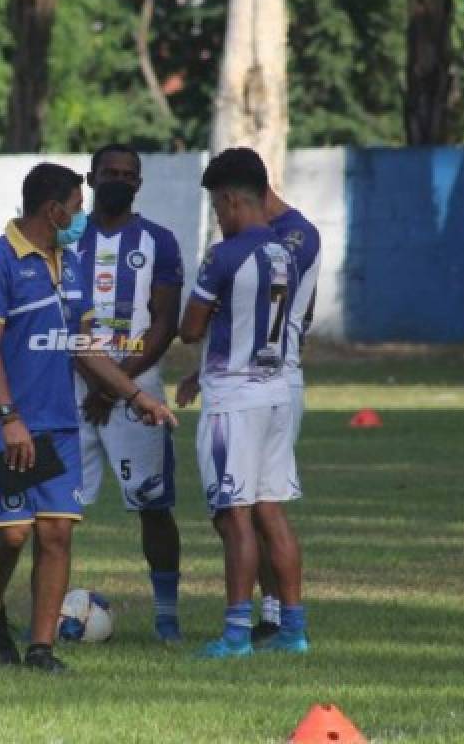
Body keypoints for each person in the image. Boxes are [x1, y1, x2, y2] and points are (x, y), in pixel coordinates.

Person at [0, 162, 177, 673]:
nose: (82, 217)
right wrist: (9, 417)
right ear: (54, 210)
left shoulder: (70, 263)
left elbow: (83, 348)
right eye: (78, 208)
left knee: (57, 533)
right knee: (13, 533)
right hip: (7, 423)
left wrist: (134, 396)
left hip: (59, 423)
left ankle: (41, 649)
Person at [176, 147, 309, 658]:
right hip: (277, 393)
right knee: (270, 510)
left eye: (216, 207)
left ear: (231, 200)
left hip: (233, 399)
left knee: (234, 516)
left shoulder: (224, 254)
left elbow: (190, 328)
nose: (217, 217)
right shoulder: (284, 253)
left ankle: (236, 634)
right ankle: (293, 629)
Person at [72, 144, 184, 642]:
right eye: (109, 172)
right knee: (55, 506)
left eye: (127, 174)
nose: (118, 180)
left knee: (153, 506)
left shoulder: (159, 241)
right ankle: (44, 608)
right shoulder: (66, 238)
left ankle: (166, 616)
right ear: (90, 177)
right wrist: (99, 382)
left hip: (138, 387)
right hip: (69, 387)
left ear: (139, 183)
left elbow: (165, 323)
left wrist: (118, 384)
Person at [250, 185, 322, 643]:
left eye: (223, 204)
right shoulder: (275, 235)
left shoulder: (295, 236)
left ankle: (285, 618)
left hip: (273, 381)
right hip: (259, 380)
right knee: (250, 509)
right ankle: (274, 615)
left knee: (262, 506)